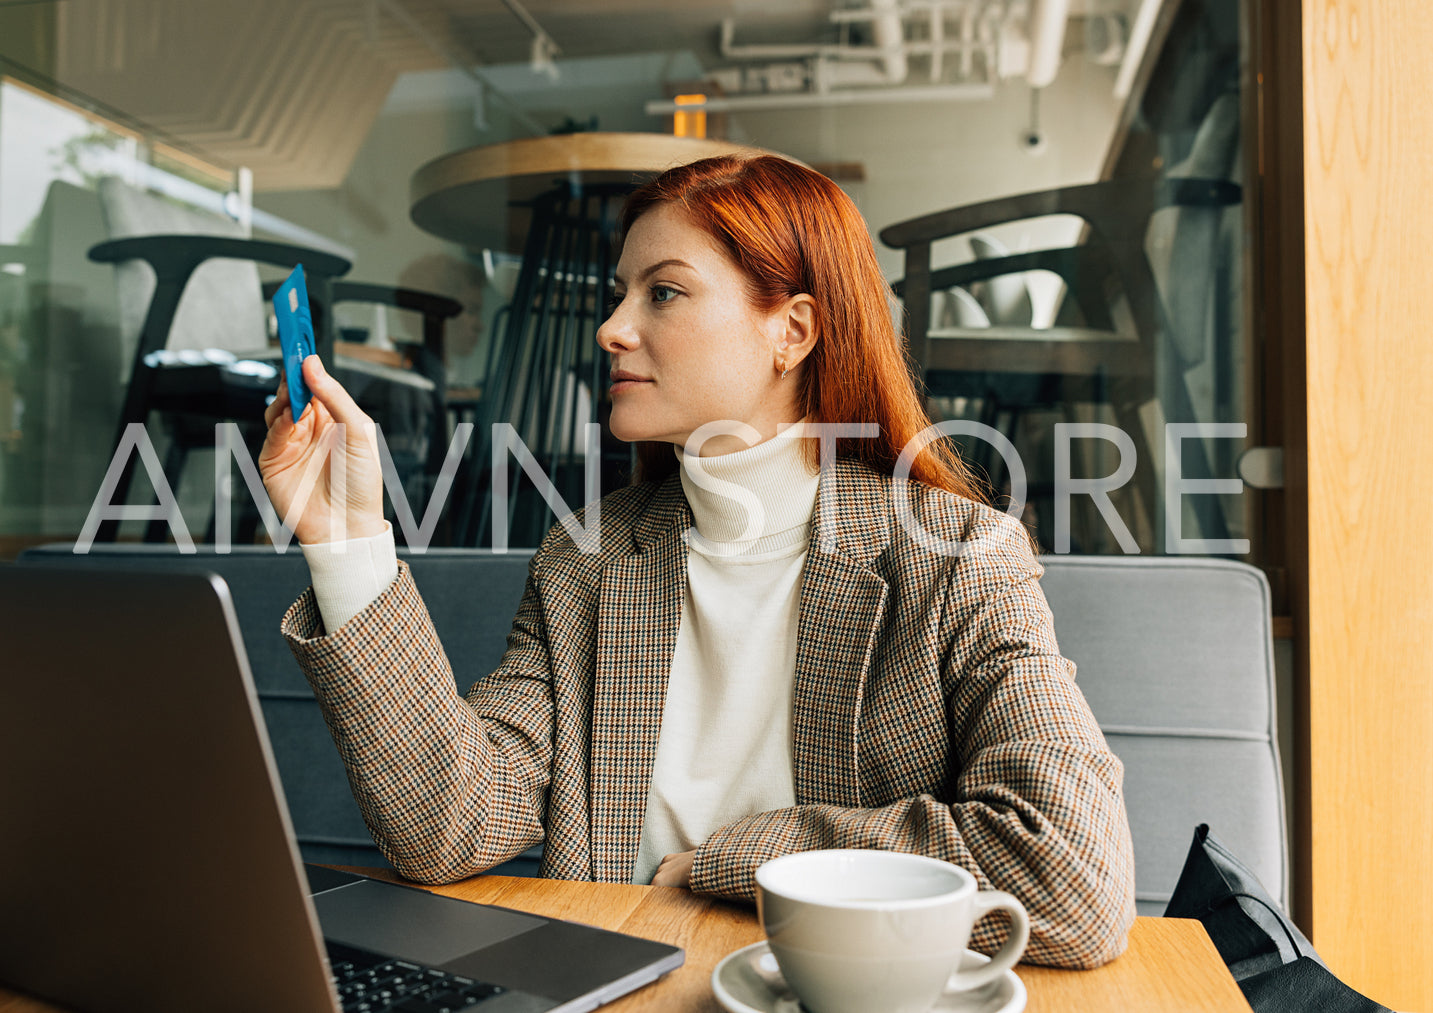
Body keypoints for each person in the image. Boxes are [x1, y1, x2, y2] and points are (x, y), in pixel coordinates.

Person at [259, 154, 1136, 970]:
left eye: (663, 293)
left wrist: (743, 856)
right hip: (620, 984)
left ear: (792, 330)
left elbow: (1070, 874)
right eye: (619, 294)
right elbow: (447, 826)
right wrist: (347, 544)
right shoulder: (589, 558)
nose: (610, 328)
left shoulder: (957, 558)